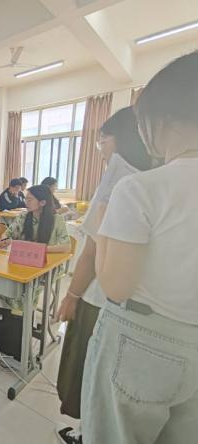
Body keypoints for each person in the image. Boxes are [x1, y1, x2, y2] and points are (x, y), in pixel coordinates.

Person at [80, 51, 198, 444]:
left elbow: (116, 286)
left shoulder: (140, 188)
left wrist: (103, 228)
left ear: (161, 121)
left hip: (141, 340)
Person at [54, 106, 154, 444]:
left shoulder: (119, 174)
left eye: (102, 141)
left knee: (87, 368)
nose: (100, 150)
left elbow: (92, 249)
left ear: (120, 140)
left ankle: (87, 433)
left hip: (98, 294)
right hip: (133, 305)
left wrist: (71, 295)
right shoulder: (152, 175)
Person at [0, 185, 70, 253]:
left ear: (42, 202)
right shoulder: (22, 217)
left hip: (48, 259)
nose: (26, 203)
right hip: (24, 258)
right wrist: (5, 241)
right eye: (26, 199)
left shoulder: (57, 219)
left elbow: (66, 247)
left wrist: (37, 249)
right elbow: (6, 234)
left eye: (29, 200)